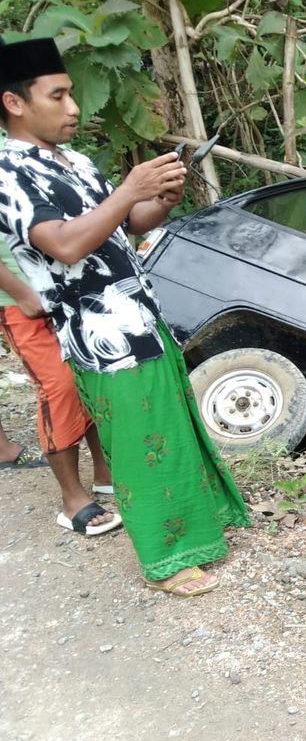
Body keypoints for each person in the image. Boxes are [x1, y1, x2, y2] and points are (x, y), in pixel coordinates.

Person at [0, 36, 250, 595]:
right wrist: (129, 191)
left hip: (138, 314)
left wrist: (158, 196)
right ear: (15, 103)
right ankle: (166, 560)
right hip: (99, 332)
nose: (73, 107)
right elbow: (63, 244)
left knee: (171, 428)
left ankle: (200, 529)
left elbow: (125, 223)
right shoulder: (8, 174)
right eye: (58, 95)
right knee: (141, 444)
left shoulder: (73, 160)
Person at [0, 253, 120, 534]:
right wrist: (21, 294)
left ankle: (105, 473)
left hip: (62, 283)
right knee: (58, 385)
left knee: (85, 373)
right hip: (18, 298)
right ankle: (72, 500)